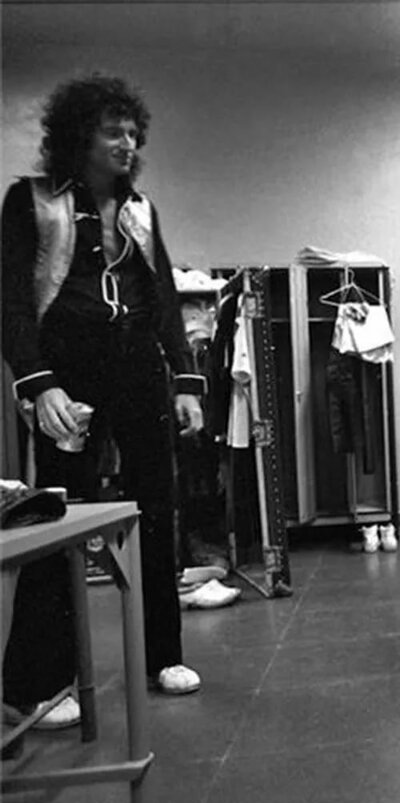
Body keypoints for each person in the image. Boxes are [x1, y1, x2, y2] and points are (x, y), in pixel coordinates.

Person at [1, 74, 206, 716]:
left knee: (157, 511)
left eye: (132, 131)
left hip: (138, 370)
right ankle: (39, 683)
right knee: (57, 521)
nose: (128, 141)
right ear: (78, 136)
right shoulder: (29, 200)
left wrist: (187, 380)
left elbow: (163, 298)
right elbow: (9, 301)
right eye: (112, 131)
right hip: (66, 373)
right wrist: (38, 383)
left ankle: (164, 653)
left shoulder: (141, 209)